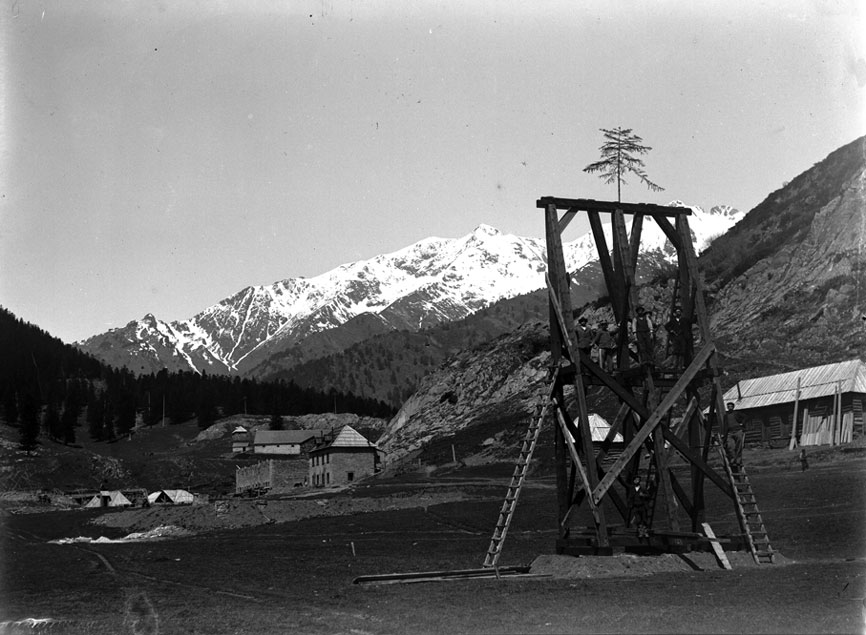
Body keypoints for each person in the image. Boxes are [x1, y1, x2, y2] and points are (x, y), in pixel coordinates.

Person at [723, 402, 746, 471]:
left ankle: (738, 461)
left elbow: (746, 417)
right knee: (730, 446)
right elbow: (725, 425)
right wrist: (724, 433)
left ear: (733, 407)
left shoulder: (737, 413)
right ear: (727, 407)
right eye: (728, 406)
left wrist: (742, 423)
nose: (730, 407)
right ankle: (733, 460)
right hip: (730, 433)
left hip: (738, 431)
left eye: (731, 406)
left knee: (739, 446)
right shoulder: (726, 416)